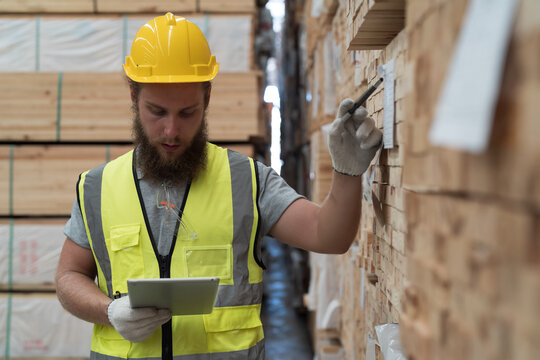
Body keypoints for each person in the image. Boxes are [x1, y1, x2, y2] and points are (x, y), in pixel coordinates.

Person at [55, 12, 382, 360]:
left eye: (187, 113)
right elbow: (68, 277)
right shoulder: (97, 187)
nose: (171, 131)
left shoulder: (247, 180)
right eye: (157, 111)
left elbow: (327, 235)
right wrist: (108, 311)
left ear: (207, 98)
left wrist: (346, 173)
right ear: (134, 95)